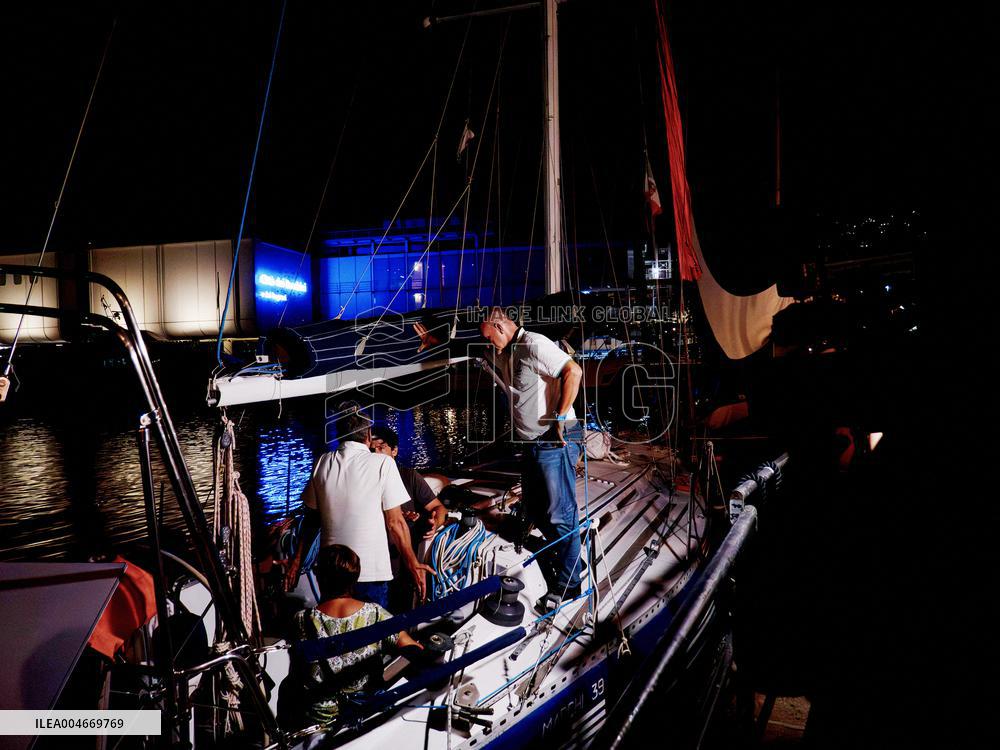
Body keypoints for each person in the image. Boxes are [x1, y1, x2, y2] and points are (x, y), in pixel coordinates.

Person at [416, 308, 584, 613]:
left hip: (554, 439)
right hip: (532, 445)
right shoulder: (504, 350)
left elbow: (574, 372)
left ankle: (569, 585)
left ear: (500, 325)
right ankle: (567, 553)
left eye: (489, 336)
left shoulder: (533, 343)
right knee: (534, 509)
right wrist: (435, 341)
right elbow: (467, 347)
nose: (487, 343)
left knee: (561, 514)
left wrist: (559, 417)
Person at [295, 402, 434, 609]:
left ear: (339, 433)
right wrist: (413, 563)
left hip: (331, 571)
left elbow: (312, 520)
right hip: (370, 572)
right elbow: (395, 522)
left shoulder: (322, 462)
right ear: (368, 435)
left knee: (337, 634)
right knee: (373, 634)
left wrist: (296, 562)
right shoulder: (383, 463)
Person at [278, 544, 422, 729]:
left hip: (318, 721)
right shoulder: (375, 614)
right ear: (355, 578)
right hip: (365, 714)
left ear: (320, 577)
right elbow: (411, 648)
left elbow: (297, 670)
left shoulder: (302, 620)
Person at [370, 425, 448, 542]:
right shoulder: (366, 479)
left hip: (408, 541)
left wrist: (434, 523)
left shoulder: (408, 476)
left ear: (394, 451)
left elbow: (438, 507)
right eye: (371, 450)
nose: (375, 454)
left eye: (381, 448)